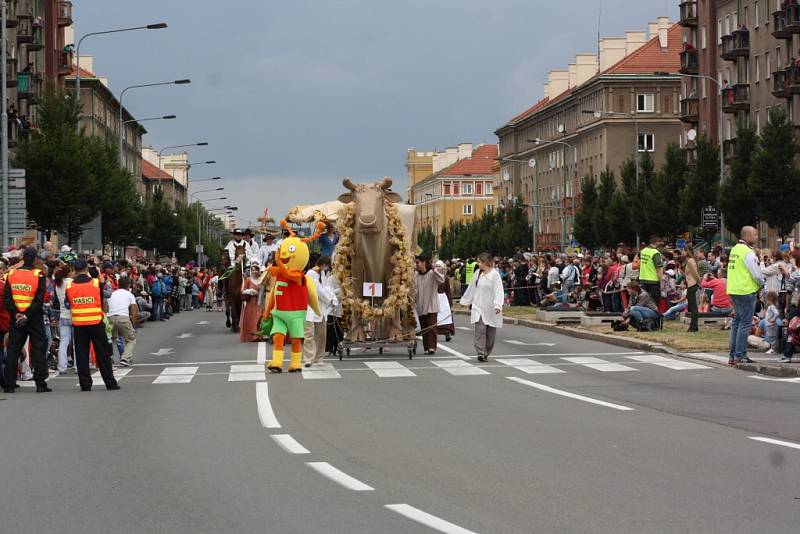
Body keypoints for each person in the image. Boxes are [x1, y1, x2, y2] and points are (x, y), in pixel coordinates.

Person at [65, 259, 119, 391]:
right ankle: (110, 383)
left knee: (82, 355)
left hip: (79, 324)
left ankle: (85, 384)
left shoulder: (70, 286)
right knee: (103, 354)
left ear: (74, 270)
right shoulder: (96, 283)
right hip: (96, 322)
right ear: (86, 269)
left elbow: (68, 304)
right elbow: (101, 300)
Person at [4, 247, 50, 393]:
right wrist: (27, 315)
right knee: (38, 348)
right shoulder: (39, 275)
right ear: (35, 259)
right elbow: (39, 300)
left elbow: (7, 298)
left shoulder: (11, 274)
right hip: (34, 317)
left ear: (23, 258)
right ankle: (40, 384)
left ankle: (9, 385)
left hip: (16, 318)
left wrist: (16, 313)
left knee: (13, 350)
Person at [727, 226, 771, 366]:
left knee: (736, 323)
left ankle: (733, 355)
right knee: (745, 324)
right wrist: (762, 283)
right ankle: (741, 355)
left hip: (734, 289)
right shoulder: (748, 252)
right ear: (747, 236)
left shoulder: (735, 249)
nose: (757, 237)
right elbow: (757, 274)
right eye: (754, 234)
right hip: (745, 291)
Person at [460, 252, 504, 362]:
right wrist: (465, 301)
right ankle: (480, 352)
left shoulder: (495, 275)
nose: (478, 264)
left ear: (486, 262)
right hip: (478, 307)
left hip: (491, 308)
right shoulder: (478, 273)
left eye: (479, 262)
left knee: (490, 334)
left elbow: (499, 291)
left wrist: (498, 305)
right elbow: (471, 287)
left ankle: (486, 352)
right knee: (480, 330)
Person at [302, 256, 336, 366]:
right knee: (309, 335)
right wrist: (329, 299)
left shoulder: (322, 274)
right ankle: (309, 358)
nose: (326, 267)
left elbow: (327, 288)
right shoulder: (311, 274)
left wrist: (332, 299)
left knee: (321, 335)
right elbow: (318, 291)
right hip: (311, 308)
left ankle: (319, 357)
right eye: (325, 264)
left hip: (321, 310)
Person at [415, 255, 445, 355]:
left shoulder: (432, 273)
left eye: (418, 262)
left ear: (424, 263)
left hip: (431, 305)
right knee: (424, 328)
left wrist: (435, 270)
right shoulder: (416, 275)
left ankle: (432, 347)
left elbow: (442, 280)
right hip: (420, 306)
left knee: (431, 327)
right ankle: (426, 347)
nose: (416, 265)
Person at [107, 277, 138, 367]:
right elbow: (134, 309)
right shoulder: (129, 295)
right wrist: (134, 322)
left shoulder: (112, 293)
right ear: (128, 285)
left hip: (110, 318)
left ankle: (109, 357)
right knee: (131, 339)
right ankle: (125, 358)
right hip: (123, 318)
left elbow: (106, 306)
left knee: (111, 339)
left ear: (118, 284)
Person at [53, 264, 74, 375]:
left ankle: (62, 366)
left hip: (63, 316)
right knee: (77, 343)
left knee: (63, 342)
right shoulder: (71, 282)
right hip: (74, 315)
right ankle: (78, 366)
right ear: (69, 272)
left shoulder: (58, 284)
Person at [240, 263, 265, 342]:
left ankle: (258, 335)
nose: (254, 272)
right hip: (251, 302)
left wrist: (259, 292)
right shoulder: (248, 280)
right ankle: (251, 336)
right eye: (253, 270)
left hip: (259, 302)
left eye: (256, 270)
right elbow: (243, 291)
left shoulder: (261, 279)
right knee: (251, 319)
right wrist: (250, 291)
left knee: (259, 318)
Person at [638, 235, 664, 303]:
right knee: (654, 303)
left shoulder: (643, 251)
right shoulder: (655, 253)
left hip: (643, 279)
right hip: (653, 281)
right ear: (656, 242)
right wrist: (661, 282)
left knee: (644, 302)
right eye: (659, 242)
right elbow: (659, 269)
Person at [435, 260, 455, 341]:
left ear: (442, 268)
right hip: (434, 298)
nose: (438, 268)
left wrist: (450, 301)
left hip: (443, 299)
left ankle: (447, 334)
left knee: (445, 316)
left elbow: (448, 291)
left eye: (439, 266)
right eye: (436, 266)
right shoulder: (433, 277)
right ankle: (434, 334)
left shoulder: (445, 278)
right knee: (435, 317)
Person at [684, 245, 701, 332]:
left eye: (684, 251)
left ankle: (694, 326)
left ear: (687, 251)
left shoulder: (690, 260)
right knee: (692, 306)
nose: (683, 252)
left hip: (692, 284)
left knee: (693, 307)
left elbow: (695, 273)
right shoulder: (690, 260)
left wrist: (699, 281)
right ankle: (693, 325)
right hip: (690, 284)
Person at [764, 291, 781, 355]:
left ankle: (773, 349)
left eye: (766, 299)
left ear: (770, 299)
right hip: (769, 324)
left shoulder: (771, 307)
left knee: (772, 337)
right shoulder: (771, 306)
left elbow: (777, 313)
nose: (766, 301)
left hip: (771, 325)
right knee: (771, 336)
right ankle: (773, 348)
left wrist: (773, 319)